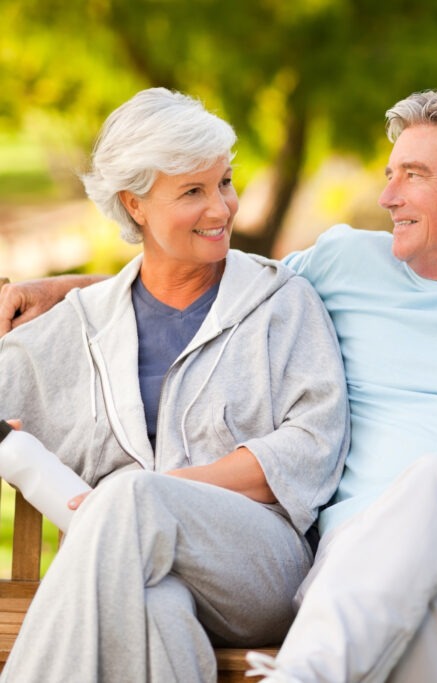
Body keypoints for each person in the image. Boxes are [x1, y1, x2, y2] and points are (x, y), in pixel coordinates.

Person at [0, 83, 437, 682]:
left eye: (413, 175)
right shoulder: (346, 263)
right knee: (409, 630)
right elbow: (209, 280)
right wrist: (60, 288)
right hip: (361, 575)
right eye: (388, 174)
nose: (387, 196)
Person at [0, 88, 349, 682]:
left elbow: (309, 451)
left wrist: (154, 494)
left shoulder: (279, 304)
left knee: (133, 495)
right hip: (131, 572)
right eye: (193, 191)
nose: (221, 208)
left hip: (257, 566)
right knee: (156, 605)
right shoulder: (81, 325)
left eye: (225, 182)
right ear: (135, 205)